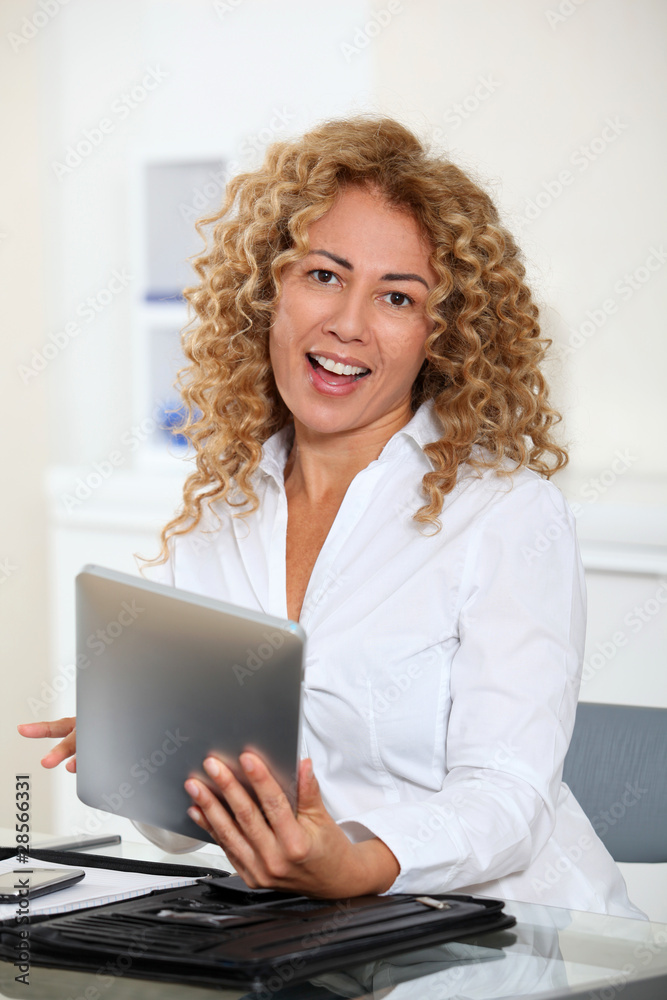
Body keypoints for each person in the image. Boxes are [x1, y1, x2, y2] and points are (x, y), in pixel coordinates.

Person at [19, 115, 645, 916]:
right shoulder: (222, 506)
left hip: (513, 945)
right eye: (322, 275)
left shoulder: (505, 514)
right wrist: (141, 751)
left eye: (395, 296)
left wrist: (355, 861)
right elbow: (182, 832)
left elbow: (507, 799)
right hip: (307, 936)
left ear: (439, 336)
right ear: (266, 288)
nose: (347, 322)